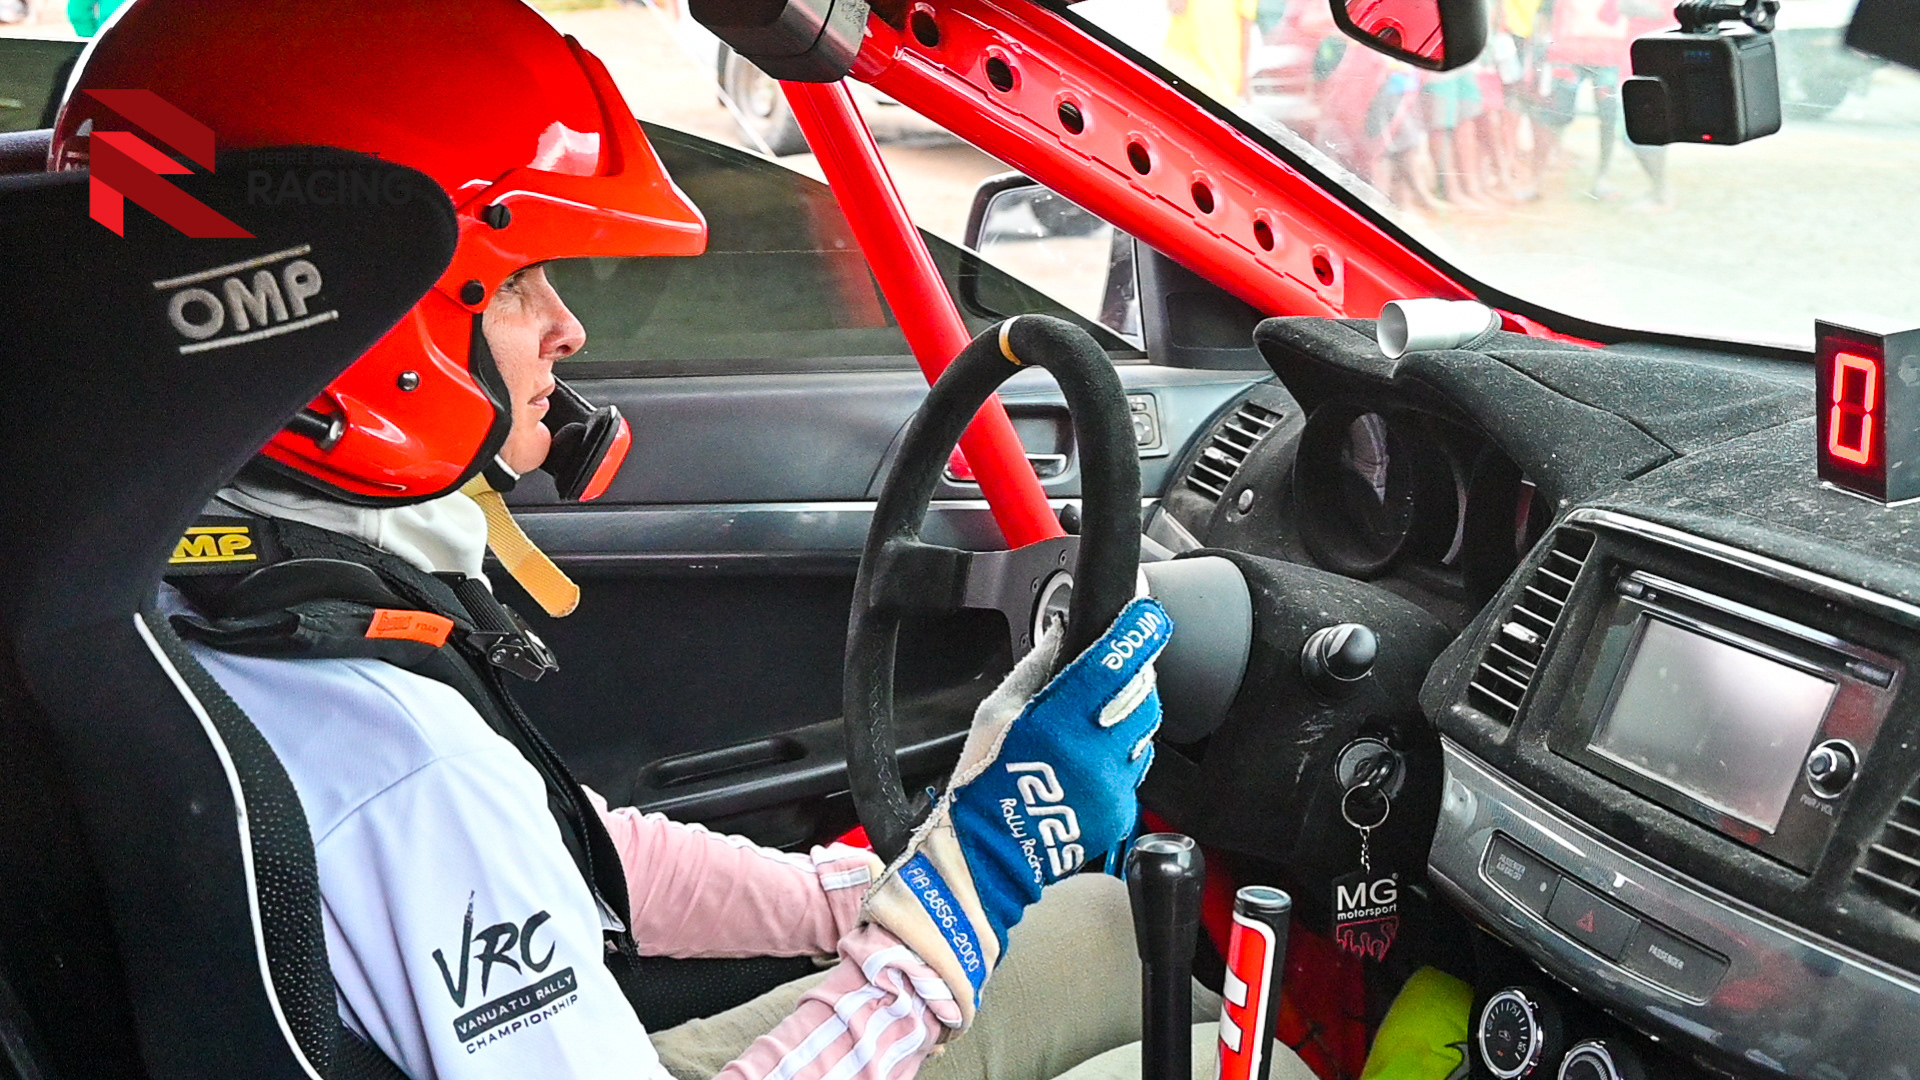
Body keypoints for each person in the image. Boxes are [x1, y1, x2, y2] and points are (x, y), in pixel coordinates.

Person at [53, 4, 1318, 1080]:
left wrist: (870, 896)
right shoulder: (398, 765)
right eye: (524, 280)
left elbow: (564, 851)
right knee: (1200, 1037)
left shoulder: (172, 576)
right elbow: (464, 833)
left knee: (1104, 928)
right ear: (379, 315)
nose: (567, 334)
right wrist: (978, 877)